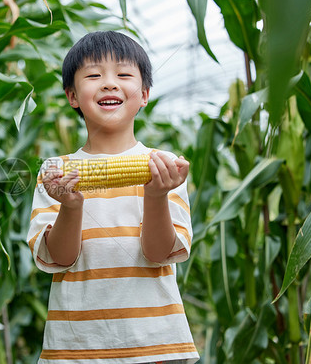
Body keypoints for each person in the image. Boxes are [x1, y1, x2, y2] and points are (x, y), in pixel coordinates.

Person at [26, 31, 199, 364]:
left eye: (123, 75)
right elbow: (59, 258)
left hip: (155, 346)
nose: (109, 84)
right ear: (72, 96)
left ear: (144, 94)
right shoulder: (56, 174)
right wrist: (71, 206)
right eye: (94, 75)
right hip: (76, 350)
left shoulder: (163, 167)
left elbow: (160, 252)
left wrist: (156, 195)